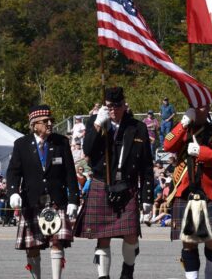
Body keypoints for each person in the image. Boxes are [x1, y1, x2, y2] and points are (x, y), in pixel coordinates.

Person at [78, 87, 154, 279]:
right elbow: (86, 150)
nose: (113, 110)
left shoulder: (137, 127)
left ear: (124, 104)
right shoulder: (96, 124)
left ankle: (128, 270)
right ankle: (103, 276)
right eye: (109, 106)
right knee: (103, 236)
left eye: (117, 106)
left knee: (131, 236)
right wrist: (97, 125)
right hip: (101, 183)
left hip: (127, 186)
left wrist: (147, 198)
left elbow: (146, 165)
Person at [6, 105, 80, 279]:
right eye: (45, 121)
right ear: (34, 124)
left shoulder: (61, 142)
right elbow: (13, 172)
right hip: (32, 201)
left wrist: (73, 200)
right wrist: (13, 192)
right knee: (33, 246)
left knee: (57, 242)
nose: (50, 123)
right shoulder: (21, 144)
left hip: (57, 200)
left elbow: (70, 172)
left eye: (51, 120)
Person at [163, 104, 212, 279]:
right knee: (188, 241)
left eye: (202, 107)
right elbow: (168, 144)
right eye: (194, 106)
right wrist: (183, 123)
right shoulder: (183, 129)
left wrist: (202, 152)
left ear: (208, 109)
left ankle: (210, 268)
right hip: (185, 190)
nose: (198, 110)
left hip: (209, 190)